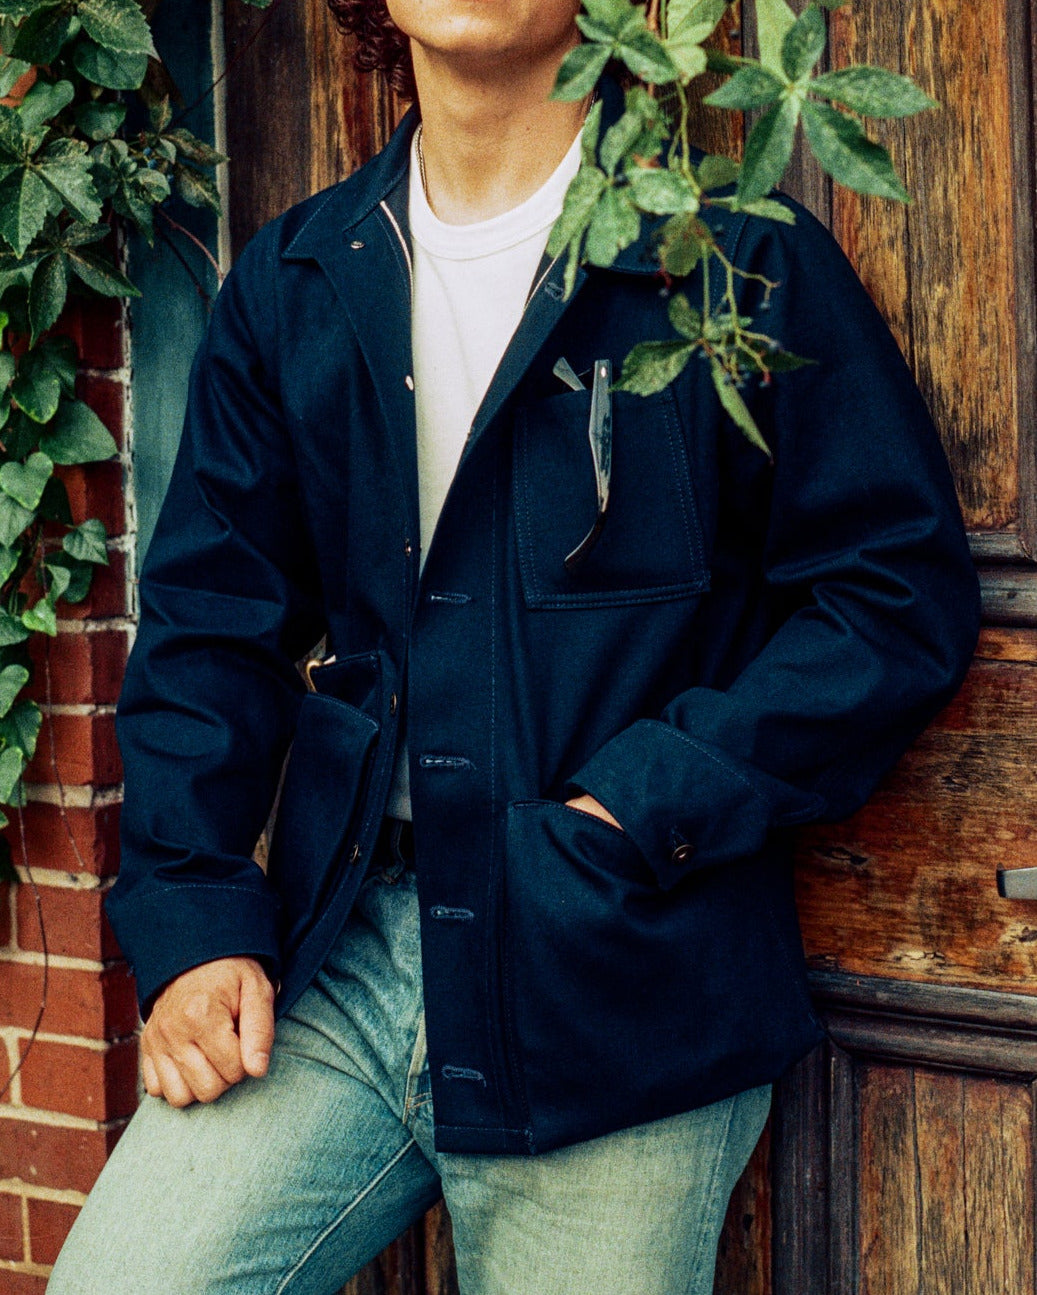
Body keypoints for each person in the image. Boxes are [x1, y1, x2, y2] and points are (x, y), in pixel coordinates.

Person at [49, 1, 980, 1292]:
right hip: (348, 956)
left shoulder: (728, 256)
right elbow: (213, 623)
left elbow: (888, 596)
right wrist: (195, 916)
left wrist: (635, 809)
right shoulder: (296, 277)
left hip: (617, 967)